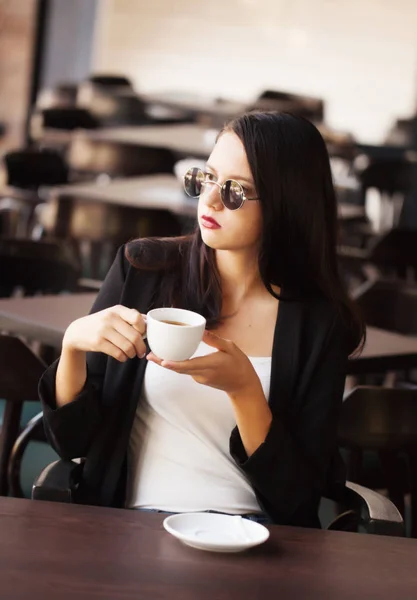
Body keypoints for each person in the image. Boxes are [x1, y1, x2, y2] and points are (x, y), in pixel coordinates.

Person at [39, 111, 364, 528]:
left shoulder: (320, 323)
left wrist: (245, 391)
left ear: (287, 203)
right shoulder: (145, 272)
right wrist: (72, 348)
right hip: (134, 531)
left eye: (235, 192)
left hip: (255, 539)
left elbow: (298, 500)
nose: (209, 201)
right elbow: (70, 443)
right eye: (206, 179)